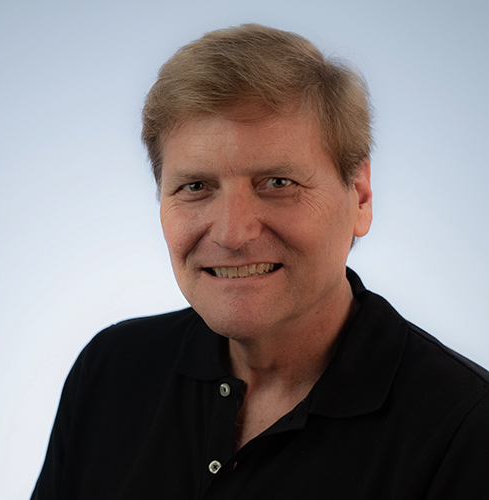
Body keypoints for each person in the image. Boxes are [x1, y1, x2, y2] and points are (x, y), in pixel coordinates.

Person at [31, 24, 489, 499]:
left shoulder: (466, 431)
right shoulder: (111, 373)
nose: (232, 234)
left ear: (360, 196)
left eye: (277, 183)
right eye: (195, 187)